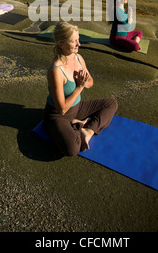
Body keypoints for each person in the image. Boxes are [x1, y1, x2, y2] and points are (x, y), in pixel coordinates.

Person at [44, 21, 118, 156]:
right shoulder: (56, 70)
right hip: (58, 116)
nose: (79, 44)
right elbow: (62, 109)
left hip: (77, 108)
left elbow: (90, 83)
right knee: (72, 149)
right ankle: (78, 125)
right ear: (61, 44)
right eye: (74, 42)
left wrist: (84, 80)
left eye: (78, 40)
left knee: (111, 103)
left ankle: (88, 130)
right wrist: (79, 87)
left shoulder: (78, 58)